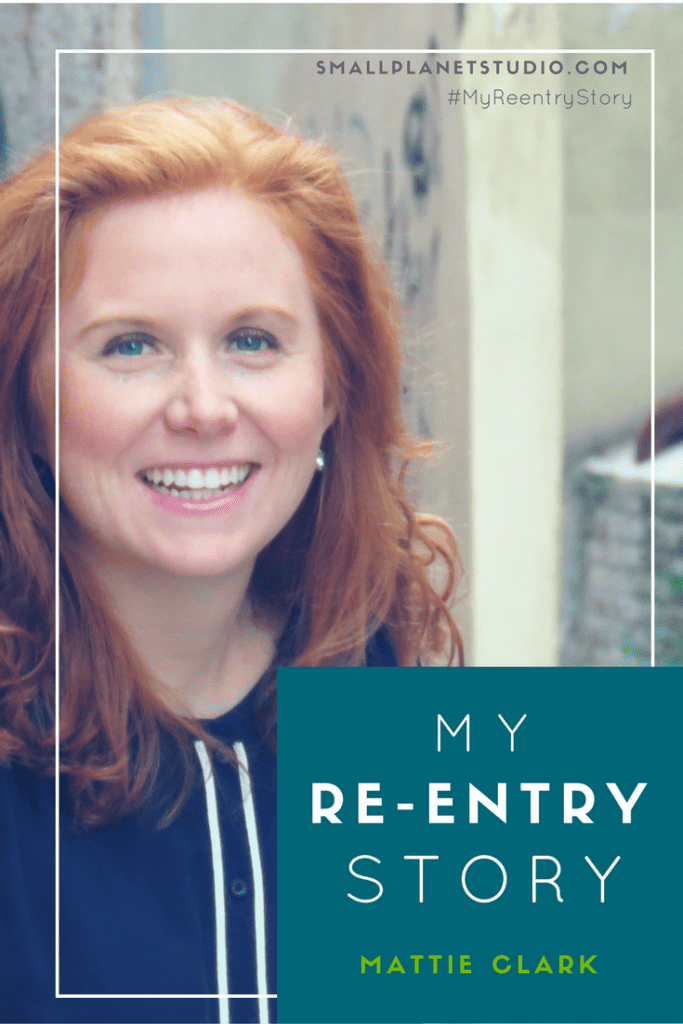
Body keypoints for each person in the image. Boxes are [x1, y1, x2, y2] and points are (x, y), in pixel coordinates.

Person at [0, 97, 463, 1024]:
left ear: (335, 388)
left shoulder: (392, 684)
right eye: (131, 345)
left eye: (253, 341)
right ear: (27, 404)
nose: (204, 407)